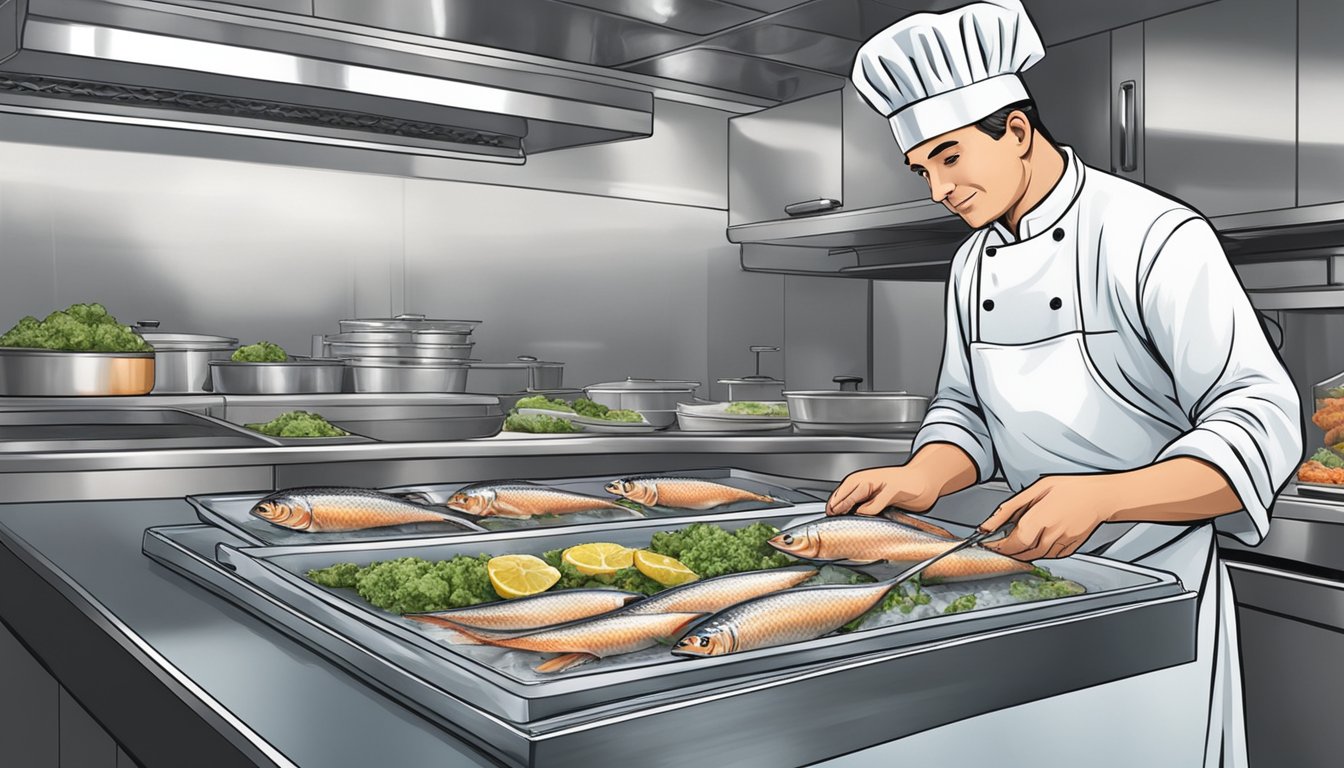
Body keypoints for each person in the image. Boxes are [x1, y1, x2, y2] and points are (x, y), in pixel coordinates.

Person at [831, 1, 1304, 765]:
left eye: (949, 157)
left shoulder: (1154, 235)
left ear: (1015, 130)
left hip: (1155, 583)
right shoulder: (971, 263)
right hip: (1033, 578)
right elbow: (966, 411)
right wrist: (923, 474)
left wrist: (1104, 495)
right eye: (922, 169)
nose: (937, 190)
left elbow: (1261, 421)